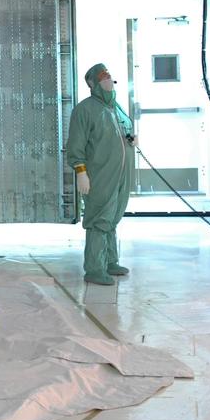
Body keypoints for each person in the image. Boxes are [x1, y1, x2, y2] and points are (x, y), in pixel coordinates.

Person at [66, 63, 136, 286]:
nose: (108, 79)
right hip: (99, 175)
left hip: (120, 175)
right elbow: (75, 145)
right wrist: (81, 172)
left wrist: (131, 138)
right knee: (99, 220)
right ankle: (95, 269)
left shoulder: (115, 107)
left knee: (113, 217)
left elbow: (125, 130)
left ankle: (110, 262)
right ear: (93, 84)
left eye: (109, 76)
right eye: (103, 77)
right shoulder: (85, 110)